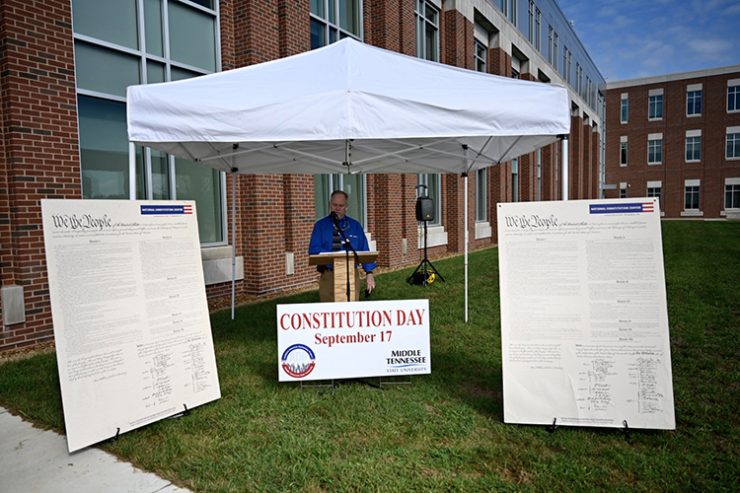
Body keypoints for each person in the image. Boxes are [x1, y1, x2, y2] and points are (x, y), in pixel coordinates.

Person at [309, 190, 376, 302]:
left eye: (341, 205)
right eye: (334, 205)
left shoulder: (355, 226)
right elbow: (313, 250)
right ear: (330, 205)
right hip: (329, 274)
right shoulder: (320, 226)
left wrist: (369, 273)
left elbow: (364, 250)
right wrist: (333, 255)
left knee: (351, 310)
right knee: (329, 310)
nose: (337, 208)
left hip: (351, 274)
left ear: (346, 207)